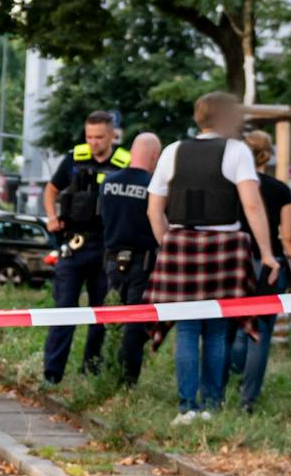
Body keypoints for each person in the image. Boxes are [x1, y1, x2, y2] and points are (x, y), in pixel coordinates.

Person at [145, 90, 275, 422]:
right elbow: (251, 204)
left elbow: (153, 210)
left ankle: (187, 406)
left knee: (187, 328)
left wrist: (169, 246)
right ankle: (211, 405)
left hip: (180, 242)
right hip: (225, 245)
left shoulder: (173, 150)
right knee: (217, 329)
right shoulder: (237, 151)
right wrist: (267, 254)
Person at [41, 111, 130, 382]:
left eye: (99, 137)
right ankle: (52, 375)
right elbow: (51, 190)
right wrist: (52, 217)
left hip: (106, 246)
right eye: (89, 136)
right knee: (64, 310)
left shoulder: (124, 163)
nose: (93, 142)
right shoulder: (74, 158)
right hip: (75, 243)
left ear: (112, 135)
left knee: (100, 313)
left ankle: (91, 369)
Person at [235, 129, 291, 413]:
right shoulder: (280, 190)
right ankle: (247, 399)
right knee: (259, 332)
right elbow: (288, 238)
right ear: (268, 155)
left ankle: (222, 386)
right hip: (268, 264)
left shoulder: (231, 186)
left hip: (234, 260)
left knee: (231, 328)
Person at [95, 131, 161, 385]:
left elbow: (101, 217)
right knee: (135, 323)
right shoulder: (153, 185)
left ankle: (101, 367)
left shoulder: (109, 182)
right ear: (154, 156)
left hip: (111, 260)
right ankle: (127, 378)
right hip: (141, 264)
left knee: (108, 317)